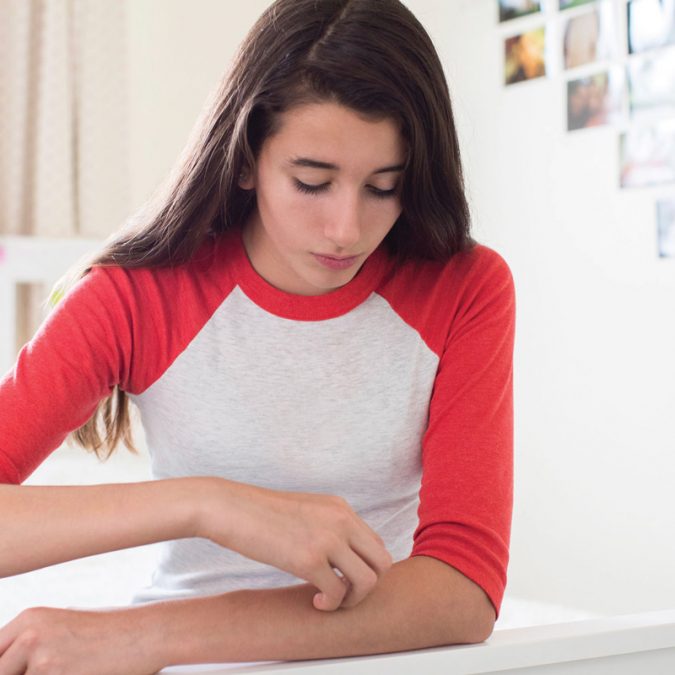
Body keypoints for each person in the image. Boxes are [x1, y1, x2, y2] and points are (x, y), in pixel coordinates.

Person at [0, 0, 515, 671]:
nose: (346, 228)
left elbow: (461, 589)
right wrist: (206, 505)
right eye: (311, 181)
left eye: (383, 187)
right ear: (245, 160)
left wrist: (143, 635)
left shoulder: (465, 287)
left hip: (384, 654)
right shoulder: (138, 296)